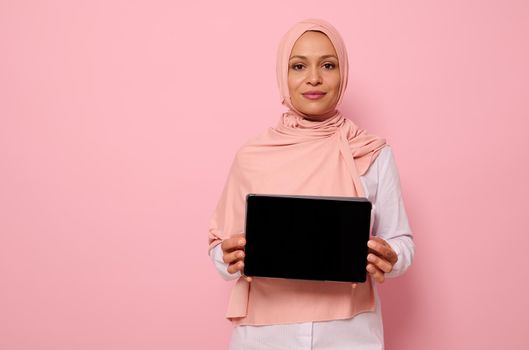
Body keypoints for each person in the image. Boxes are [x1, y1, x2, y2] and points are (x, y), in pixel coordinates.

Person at [208, 18, 415, 349]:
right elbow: (220, 245)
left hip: (349, 332)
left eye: (328, 65)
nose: (314, 78)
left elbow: (401, 242)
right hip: (264, 335)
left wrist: (392, 257)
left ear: (342, 72)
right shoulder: (252, 155)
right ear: (283, 75)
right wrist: (226, 256)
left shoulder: (372, 152)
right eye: (298, 65)